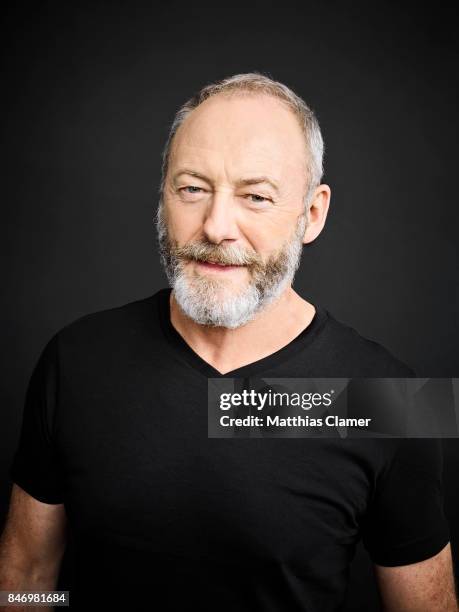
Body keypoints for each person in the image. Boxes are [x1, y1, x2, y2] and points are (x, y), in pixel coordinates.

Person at [1, 72, 457, 611]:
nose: (216, 226)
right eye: (192, 188)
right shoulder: (75, 360)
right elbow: (28, 571)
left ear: (312, 214)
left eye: (256, 196)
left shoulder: (392, 401)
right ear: (163, 196)